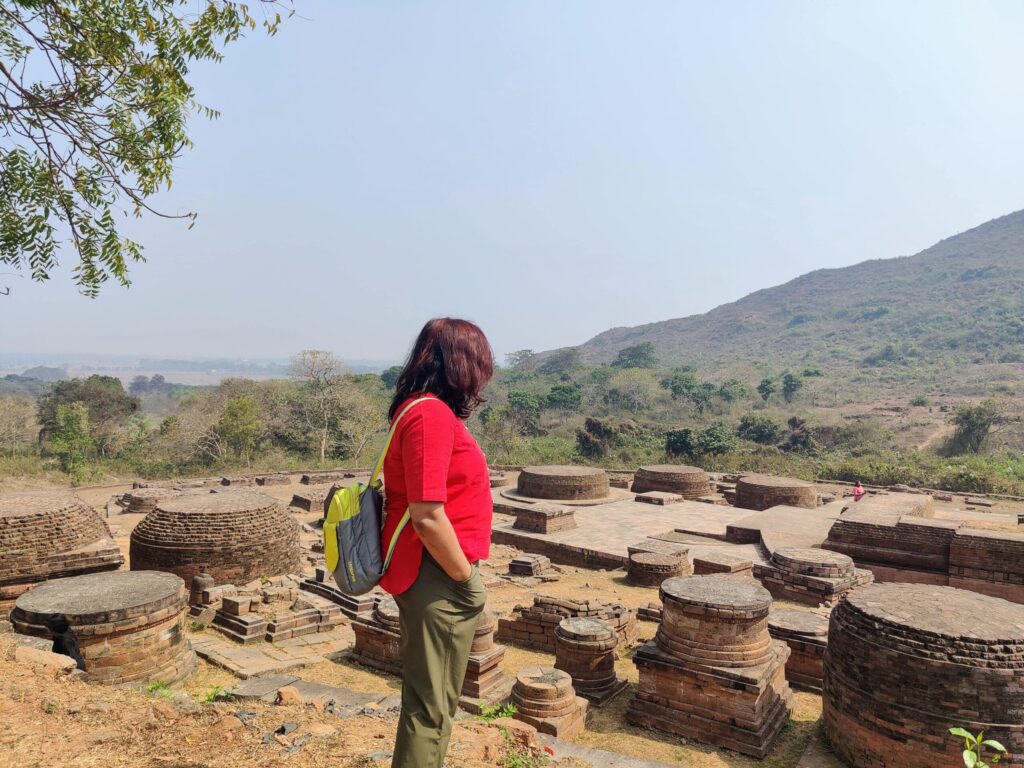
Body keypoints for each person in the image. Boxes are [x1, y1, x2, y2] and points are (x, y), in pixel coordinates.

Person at [381, 318, 494, 768]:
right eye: (480, 362)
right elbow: (428, 516)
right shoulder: (429, 414)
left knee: (431, 703)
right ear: (461, 363)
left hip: (432, 572)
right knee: (431, 711)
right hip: (438, 574)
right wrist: (465, 578)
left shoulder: (418, 408)